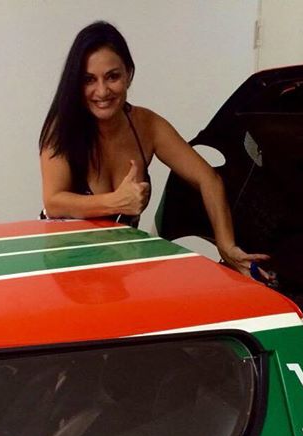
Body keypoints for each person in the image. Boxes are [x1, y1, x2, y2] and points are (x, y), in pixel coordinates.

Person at [39, 21, 270, 279]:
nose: (102, 91)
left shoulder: (147, 125)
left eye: (113, 77)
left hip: (117, 267)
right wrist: (116, 201)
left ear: (128, 74)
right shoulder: (61, 127)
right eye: (89, 80)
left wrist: (226, 246)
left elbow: (208, 179)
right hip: (66, 268)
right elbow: (54, 202)